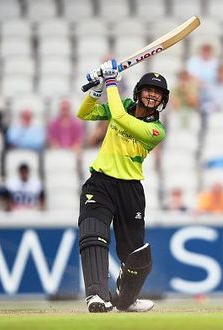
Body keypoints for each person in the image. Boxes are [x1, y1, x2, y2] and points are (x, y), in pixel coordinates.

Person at [77, 60, 168, 313]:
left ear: (162, 99)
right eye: (149, 90)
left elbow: (117, 116)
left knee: (135, 255)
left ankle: (126, 300)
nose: (153, 95)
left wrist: (110, 82)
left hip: (131, 189)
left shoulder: (156, 130)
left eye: (158, 92)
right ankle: (96, 295)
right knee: (93, 234)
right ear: (139, 92)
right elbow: (84, 114)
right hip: (101, 183)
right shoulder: (125, 104)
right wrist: (96, 90)